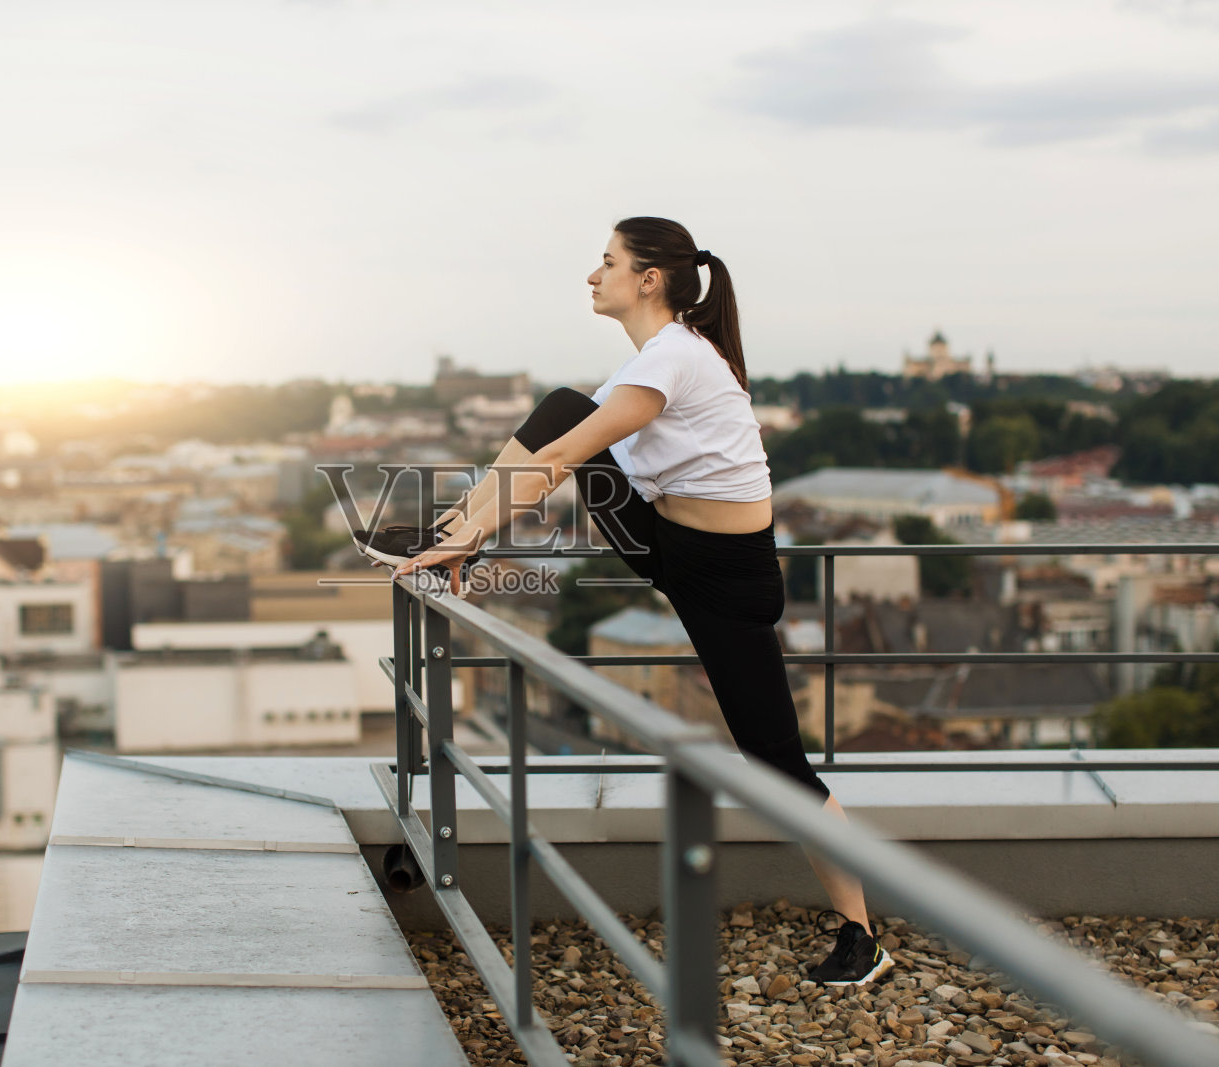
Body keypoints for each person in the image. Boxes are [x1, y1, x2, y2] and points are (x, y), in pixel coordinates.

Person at [356, 216, 892, 986]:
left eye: (606, 262)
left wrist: (480, 528)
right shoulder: (650, 361)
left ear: (649, 279)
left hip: (729, 579)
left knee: (776, 764)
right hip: (666, 544)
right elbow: (559, 441)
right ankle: (449, 536)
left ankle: (861, 935)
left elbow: (564, 460)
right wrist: (469, 530)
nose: (591, 274)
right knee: (557, 406)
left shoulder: (674, 355)